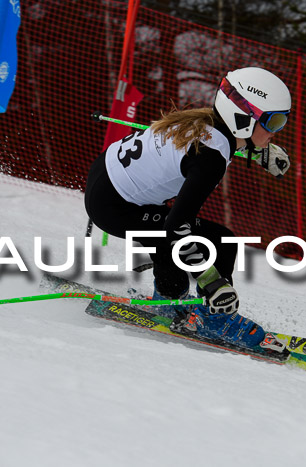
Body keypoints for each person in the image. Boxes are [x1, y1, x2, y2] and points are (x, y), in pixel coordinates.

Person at [84, 67, 291, 350]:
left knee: (167, 245)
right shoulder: (211, 160)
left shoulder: (209, 121)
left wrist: (257, 151)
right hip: (114, 205)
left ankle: (169, 301)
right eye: (274, 122)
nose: (278, 131)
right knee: (222, 241)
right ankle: (215, 318)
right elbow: (176, 227)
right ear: (243, 118)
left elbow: (208, 147)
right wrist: (212, 282)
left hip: (108, 178)